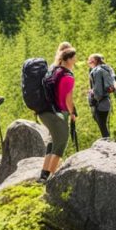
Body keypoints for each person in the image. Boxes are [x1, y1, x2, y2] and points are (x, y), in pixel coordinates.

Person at [38, 43, 78, 184]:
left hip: (46, 111)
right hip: (59, 112)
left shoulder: (53, 70)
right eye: (74, 58)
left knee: (52, 142)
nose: (76, 60)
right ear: (68, 59)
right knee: (61, 143)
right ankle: (51, 179)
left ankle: (44, 174)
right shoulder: (68, 76)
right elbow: (68, 99)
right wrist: (72, 112)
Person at [86, 53, 116, 139]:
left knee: (102, 124)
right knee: (102, 124)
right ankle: (107, 141)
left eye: (90, 60)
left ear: (94, 61)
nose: (88, 62)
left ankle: (107, 143)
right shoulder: (107, 69)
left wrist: (94, 98)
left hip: (100, 102)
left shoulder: (97, 71)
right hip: (106, 101)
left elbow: (98, 89)